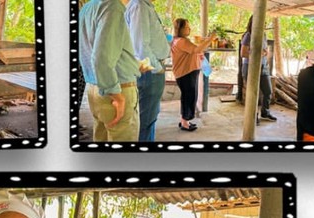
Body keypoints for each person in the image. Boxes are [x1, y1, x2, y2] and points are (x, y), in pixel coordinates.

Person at [79, 0, 142, 142]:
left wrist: (131, 65)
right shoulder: (113, 7)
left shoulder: (88, 8)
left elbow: (92, 51)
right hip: (116, 89)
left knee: (101, 138)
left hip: (94, 87)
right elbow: (101, 58)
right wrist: (117, 97)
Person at [125, 0, 170, 142]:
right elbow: (140, 47)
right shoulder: (140, 6)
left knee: (149, 117)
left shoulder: (144, 6)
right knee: (146, 120)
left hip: (150, 70)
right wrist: (157, 68)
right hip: (149, 71)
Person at [170, 19, 215, 132]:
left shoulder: (180, 40)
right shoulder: (181, 41)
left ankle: (185, 121)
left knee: (188, 96)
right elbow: (197, 49)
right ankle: (185, 122)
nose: (189, 29)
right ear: (180, 29)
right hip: (185, 73)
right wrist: (210, 38)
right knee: (189, 97)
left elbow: (194, 50)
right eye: (186, 27)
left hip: (186, 73)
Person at [241, 16, 277, 122]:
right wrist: (258, 54)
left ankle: (265, 113)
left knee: (268, 91)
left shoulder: (264, 35)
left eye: (264, 24)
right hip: (250, 67)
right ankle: (253, 115)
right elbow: (243, 53)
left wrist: (264, 53)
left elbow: (266, 51)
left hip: (263, 66)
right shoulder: (248, 35)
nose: (264, 25)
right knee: (253, 93)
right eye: (262, 23)